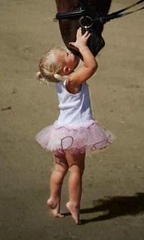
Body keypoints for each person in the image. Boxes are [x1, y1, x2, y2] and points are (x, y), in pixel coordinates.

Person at [35, 27, 115, 225]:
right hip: (76, 133)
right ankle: (73, 203)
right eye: (69, 54)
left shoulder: (60, 81)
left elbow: (83, 67)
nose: (72, 52)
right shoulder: (73, 80)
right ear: (66, 70)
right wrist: (82, 46)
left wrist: (79, 46)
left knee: (59, 167)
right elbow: (91, 67)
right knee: (76, 169)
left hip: (60, 132)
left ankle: (54, 199)